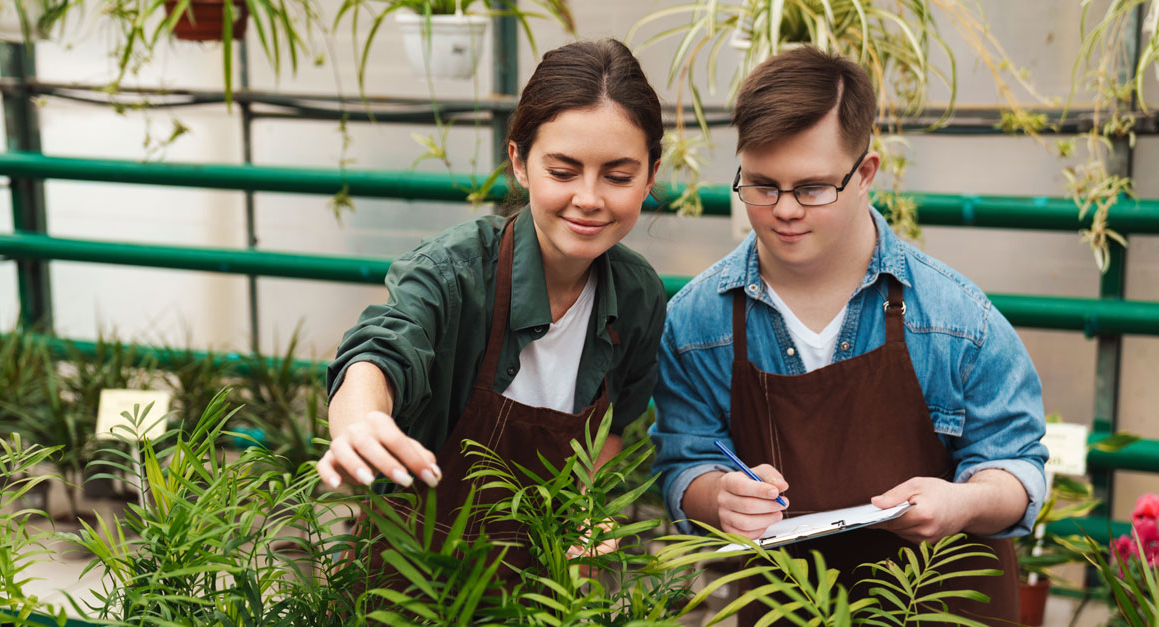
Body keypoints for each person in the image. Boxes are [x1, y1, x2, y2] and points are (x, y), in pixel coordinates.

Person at [649, 46, 1048, 621]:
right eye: (762, 186)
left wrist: (963, 502)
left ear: (864, 174)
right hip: (786, 609)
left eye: (812, 188)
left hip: (941, 608)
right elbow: (682, 460)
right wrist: (718, 496)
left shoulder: (955, 318)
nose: (785, 210)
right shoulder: (698, 321)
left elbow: (1016, 465)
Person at [317, 38, 667, 569]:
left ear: (650, 177)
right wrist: (361, 421)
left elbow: (612, 429)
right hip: (410, 584)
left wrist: (593, 511)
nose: (590, 198)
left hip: (545, 590)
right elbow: (381, 348)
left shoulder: (638, 297)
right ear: (520, 163)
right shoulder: (453, 273)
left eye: (618, 176)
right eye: (563, 171)